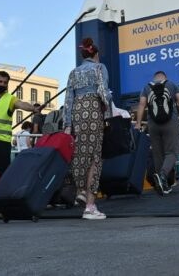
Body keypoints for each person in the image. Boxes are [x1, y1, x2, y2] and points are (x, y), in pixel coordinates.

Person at [63, 37, 111, 220]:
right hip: (93, 111)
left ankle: (81, 190)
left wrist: (68, 125)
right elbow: (103, 92)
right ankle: (90, 206)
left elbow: (68, 100)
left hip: (77, 113)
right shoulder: (99, 68)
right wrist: (108, 110)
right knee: (95, 158)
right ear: (96, 54)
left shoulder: (73, 72)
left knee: (80, 154)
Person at [0, 71, 40, 198]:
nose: (2, 84)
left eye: (5, 83)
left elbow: (21, 104)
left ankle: (5, 201)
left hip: (2, 143)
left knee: (4, 174)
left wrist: (33, 108)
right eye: (0, 81)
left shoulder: (10, 99)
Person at [135, 71, 179, 195]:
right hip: (170, 122)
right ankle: (163, 176)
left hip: (153, 124)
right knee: (173, 152)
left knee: (158, 154)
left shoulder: (146, 87)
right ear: (165, 77)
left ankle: (164, 185)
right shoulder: (172, 84)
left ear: (154, 78)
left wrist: (138, 123)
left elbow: (142, 104)